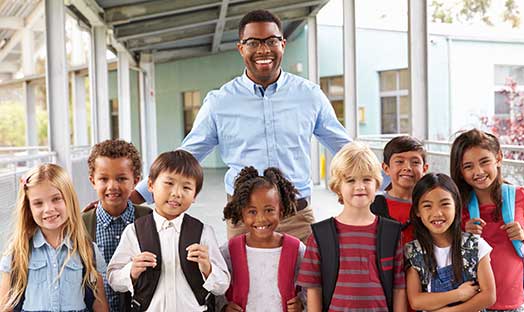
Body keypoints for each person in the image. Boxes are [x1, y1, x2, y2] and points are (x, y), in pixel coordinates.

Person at [129, 9, 352, 242]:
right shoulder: (220, 101)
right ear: (241, 48)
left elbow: (346, 149)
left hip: (296, 218)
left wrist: (388, 183)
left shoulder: (310, 95)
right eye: (253, 42)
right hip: (243, 219)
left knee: (302, 280)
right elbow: (186, 156)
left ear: (283, 44)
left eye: (271, 41)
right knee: (244, 279)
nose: (263, 49)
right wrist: (135, 195)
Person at [107, 150, 230, 311]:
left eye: (186, 187)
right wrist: (132, 270)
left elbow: (222, 286)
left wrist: (207, 268)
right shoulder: (134, 232)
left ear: (194, 196)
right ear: (150, 185)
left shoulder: (203, 232)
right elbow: (113, 278)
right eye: (169, 183)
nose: (176, 193)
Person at [450, 129, 524, 311]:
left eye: (484, 162)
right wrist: (462, 232)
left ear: (498, 158)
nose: (478, 171)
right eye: (468, 166)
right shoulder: (455, 203)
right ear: (460, 171)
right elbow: (443, 243)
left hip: (511, 300)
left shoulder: (521, 196)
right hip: (471, 300)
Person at [297, 141, 406, 312]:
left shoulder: (391, 233)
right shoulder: (321, 235)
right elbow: (314, 289)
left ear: (376, 184)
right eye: (350, 180)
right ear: (337, 187)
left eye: (366, 179)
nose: (360, 186)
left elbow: (399, 287)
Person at [0, 163, 108, 311]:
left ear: (69, 199)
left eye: (56, 199)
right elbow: (5, 307)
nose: (49, 209)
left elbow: (99, 304)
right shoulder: (18, 252)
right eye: (38, 203)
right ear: (29, 209)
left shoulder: (88, 250)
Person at [218, 166, 306, 312]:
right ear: (242, 214)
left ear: (281, 211)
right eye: (252, 211)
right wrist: (224, 306)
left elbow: (311, 285)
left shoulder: (297, 249)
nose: (261, 218)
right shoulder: (228, 251)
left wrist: (301, 303)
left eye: (269, 210)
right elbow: (218, 287)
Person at [404, 173, 496, 311]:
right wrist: (458, 294)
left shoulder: (475, 245)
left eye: (445, 204)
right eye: (428, 206)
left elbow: (489, 296)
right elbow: (416, 301)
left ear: (456, 206)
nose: (437, 213)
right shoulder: (413, 251)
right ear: (417, 210)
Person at [82, 139, 152, 311]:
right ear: (93, 181)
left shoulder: (150, 220)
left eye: (121, 179)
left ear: (135, 181)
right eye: (103, 179)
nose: (112, 186)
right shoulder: (81, 225)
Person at [371, 135, 428, 247]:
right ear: (386, 168)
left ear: (424, 169)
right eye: (399, 161)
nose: (407, 167)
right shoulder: (373, 205)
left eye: (415, 162)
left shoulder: (430, 205)